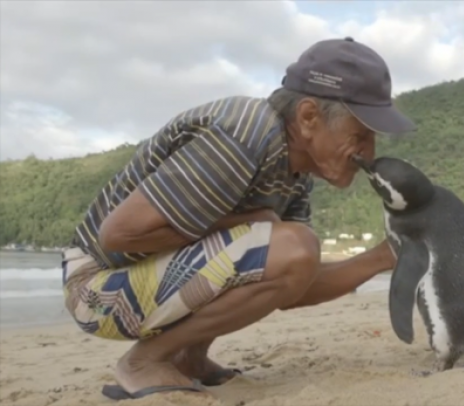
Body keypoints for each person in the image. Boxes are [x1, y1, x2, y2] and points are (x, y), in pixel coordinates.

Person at [61, 37, 416, 399]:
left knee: (292, 246)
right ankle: (144, 361)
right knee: (290, 241)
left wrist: (384, 256)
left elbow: (292, 282)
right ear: (309, 117)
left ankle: (189, 357)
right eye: (360, 135)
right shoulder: (244, 132)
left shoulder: (294, 174)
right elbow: (118, 236)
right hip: (95, 288)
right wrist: (248, 223)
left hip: (136, 282)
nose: (369, 153)